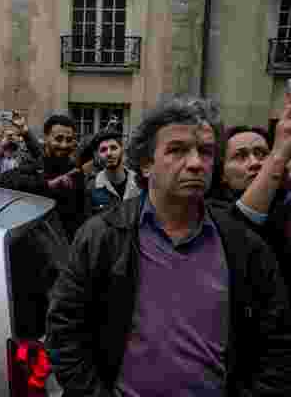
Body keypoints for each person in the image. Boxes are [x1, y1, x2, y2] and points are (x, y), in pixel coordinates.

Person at [46, 96, 291, 396]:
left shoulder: (243, 245)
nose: (195, 163)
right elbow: (64, 330)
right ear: (146, 164)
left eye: (206, 151)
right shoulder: (102, 236)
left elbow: (277, 343)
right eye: (177, 150)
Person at [212, 120, 291, 299]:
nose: (255, 162)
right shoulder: (211, 213)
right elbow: (241, 224)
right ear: (222, 173)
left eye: (262, 154)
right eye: (240, 156)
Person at [0, 114, 85, 240]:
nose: (64, 145)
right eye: (59, 139)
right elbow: (5, 180)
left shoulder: (76, 172)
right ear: (46, 138)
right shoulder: (35, 164)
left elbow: (81, 214)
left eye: (69, 139)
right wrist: (47, 185)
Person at [84, 122, 140, 216]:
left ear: (122, 150)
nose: (109, 153)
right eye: (103, 150)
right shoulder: (91, 187)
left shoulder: (139, 182)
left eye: (113, 148)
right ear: (98, 155)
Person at [0, 110, 43, 185]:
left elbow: (39, 156)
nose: (10, 135)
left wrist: (25, 131)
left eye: (13, 133)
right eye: (5, 134)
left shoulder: (26, 161)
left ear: (20, 138)